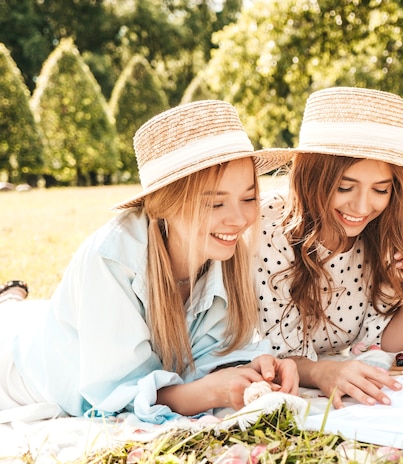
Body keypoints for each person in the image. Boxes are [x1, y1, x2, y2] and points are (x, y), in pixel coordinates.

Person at [0, 100, 297, 424]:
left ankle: (11, 298)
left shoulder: (224, 255)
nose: (239, 219)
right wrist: (214, 392)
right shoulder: (111, 259)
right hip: (19, 371)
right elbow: (121, 394)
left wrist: (253, 369)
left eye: (249, 198)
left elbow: (206, 359)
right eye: (215, 203)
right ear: (166, 206)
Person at [254, 87, 403, 409]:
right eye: (344, 187)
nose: (362, 206)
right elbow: (277, 354)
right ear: (311, 178)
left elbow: (384, 342)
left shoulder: (378, 231)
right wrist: (322, 373)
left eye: (380, 189)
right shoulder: (270, 228)